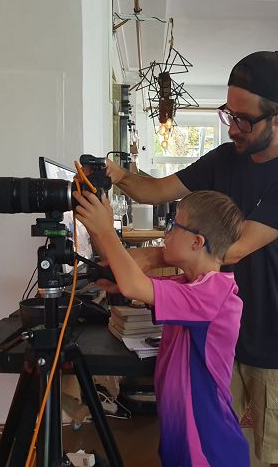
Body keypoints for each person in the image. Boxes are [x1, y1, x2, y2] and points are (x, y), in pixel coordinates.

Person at [103, 51, 278, 467]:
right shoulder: (227, 157)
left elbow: (232, 248)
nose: (234, 127)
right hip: (222, 334)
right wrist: (119, 176)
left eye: (245, 118)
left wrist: (146, 258)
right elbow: (157, 190)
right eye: (229, 113)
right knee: (220, 444)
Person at [75, 189, 250, 467]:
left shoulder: (212, 294)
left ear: (197, 241)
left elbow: (135, 285)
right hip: (182, 433)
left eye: (173, 226)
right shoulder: (189, 285)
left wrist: (106, 230)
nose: (166, 234)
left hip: (206, 443)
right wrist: (100, 229)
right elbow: (131, 281)